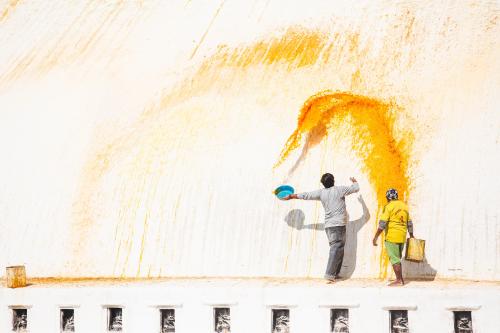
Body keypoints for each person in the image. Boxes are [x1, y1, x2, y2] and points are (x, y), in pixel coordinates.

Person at [284, 173, 359, 283]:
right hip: (337, 224)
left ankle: (335, 273)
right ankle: (329, 274)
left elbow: (306, 195)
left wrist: (291, 196)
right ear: (333, 180)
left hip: (329, 226)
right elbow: (356, 188)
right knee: (336, 248)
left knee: (339, 249)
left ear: (323, 184)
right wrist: (354, 181)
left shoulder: (321, 193)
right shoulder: (340, 190)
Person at [372, 188, 414, 286]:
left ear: (387, 198)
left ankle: (399, 280)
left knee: (394, 259)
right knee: (397, 259)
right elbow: (410, 223)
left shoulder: (388, 206)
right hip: (402, 237)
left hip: (392, 237)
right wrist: (411, 235)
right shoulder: (404, 206)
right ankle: (400, 279)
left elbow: (382, 224)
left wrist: (375, 237)